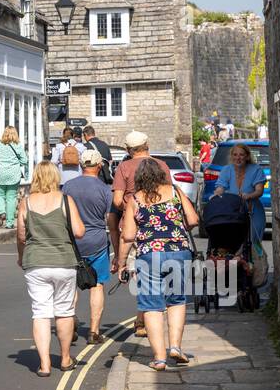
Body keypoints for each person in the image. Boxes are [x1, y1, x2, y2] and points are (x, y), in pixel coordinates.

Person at [117, 156, 201, 371]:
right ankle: (175, 347)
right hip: (178, 252)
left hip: (148, 255)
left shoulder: (135, 199)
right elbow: (193, 220)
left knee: (151, 306)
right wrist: (175, 230)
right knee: (176, 300)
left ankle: (160, 358)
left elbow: (127, 235)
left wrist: (121, 262)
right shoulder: (175, 192)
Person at [17, 160, 87, 377]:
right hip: (64, 262)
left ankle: (45, 364)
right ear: (56, 177)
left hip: (36, 262)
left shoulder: (26, 203)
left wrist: (21, 257)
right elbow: (79, 232)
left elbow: (20, 236)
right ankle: (65, 358)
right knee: (64, 311)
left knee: (40, 312)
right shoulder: (66, 200)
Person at [111, 131, 173, 338]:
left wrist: (133, 206)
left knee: (139, 273)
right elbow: (169, 196)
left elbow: (117, 200)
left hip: (133, 224)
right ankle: (147, 316)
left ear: (128, 150)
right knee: (158, 270)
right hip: (159, 225)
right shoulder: (161, 165)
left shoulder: (124, 167)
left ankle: (142, 318)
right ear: (147, 144)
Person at [62, 149, 119, 344]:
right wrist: (118, 253)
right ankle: (94, 331)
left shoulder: (68, 186)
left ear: (81, 165)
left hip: (72, 243)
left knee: (70, 285)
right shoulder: (104, 190)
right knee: (97, 285)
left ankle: (70, 322)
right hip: (96, 242)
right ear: (99, 166)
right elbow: (111, 223)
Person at [213, 143, 268, 244]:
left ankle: (252, 259)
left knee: (253, 242)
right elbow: (221, 187)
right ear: (232, 156)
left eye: (241, 155)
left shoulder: (256, 170)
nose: (238, 158)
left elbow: (259, 191)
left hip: (253, 210)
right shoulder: (226, 170)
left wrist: (248, 196)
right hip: (233, 211)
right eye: (235, 155)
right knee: (235, 242)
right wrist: (216, 194)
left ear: (247, 156)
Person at [0, 125, 28, 230]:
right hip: (13, 174)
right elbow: (25, 161)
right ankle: (10, 223)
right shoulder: (18, 146)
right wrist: (16, 163)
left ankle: (1, 212)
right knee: (11, 198)